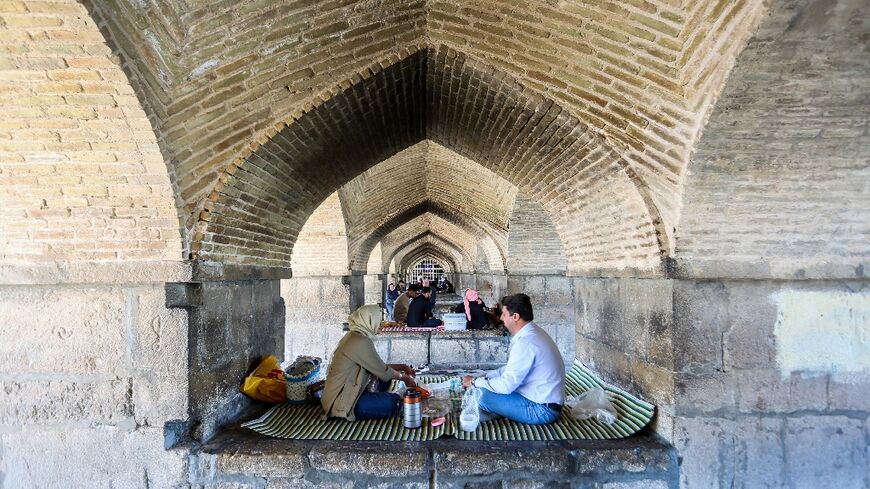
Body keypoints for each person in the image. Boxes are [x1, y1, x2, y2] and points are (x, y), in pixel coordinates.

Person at [461, 293, 565, 425]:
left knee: (479, 394)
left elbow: (506, 385)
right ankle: (499, 409)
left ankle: (493, 411)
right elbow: (510, 370)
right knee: (484, 386)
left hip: (542, 410)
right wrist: (485, 376)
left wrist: (475, 382)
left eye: (504, 314)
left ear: (515, 316)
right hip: (543, 401)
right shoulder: (532, 333)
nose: (501, 318)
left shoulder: (526, 342)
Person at [321, 305, 417, 421]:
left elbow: (378, 367)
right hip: (341, 402)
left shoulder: (355, 336)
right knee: (393, 402)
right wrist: (405, 377)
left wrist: (403, 367)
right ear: (369, 321)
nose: (381, 324)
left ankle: (374, 399)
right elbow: (383, 371)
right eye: (379, 320)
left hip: (351, 389)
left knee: (385, 381)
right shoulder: (360, 341)